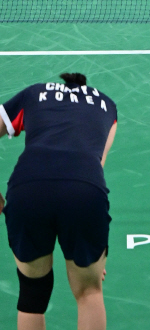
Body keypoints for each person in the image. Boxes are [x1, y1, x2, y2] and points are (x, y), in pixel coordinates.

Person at [0, 73, 117, 330]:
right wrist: (91, 260)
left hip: (28, 188)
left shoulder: (34, 93)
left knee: (32, 293)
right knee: (89, 292)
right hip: (83, 189)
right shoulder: (108, 105)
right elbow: (97, 165)